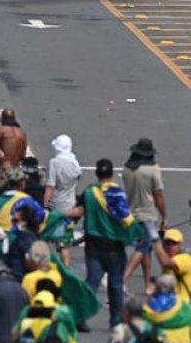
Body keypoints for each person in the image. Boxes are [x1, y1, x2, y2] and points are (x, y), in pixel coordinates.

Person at [66, 158, 136, 328]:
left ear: (97, 174)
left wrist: (66, 229)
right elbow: (125, 219)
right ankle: (116, 319)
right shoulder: (118, 193)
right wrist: (135, 234)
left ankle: (80, 316)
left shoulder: (89, 193)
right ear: (111, 174)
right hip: (114, 246)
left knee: (92, 282)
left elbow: (77, 214)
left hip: (93, 246)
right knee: (116, 284)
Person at [122, 138, 166, 296]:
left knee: (147, 250)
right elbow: (158, 195)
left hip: (131, 212)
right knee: (142, 247)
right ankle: (124, 280)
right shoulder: (153, 170)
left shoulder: (127, 170)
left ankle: (148, 285)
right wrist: (164, 216)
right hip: (148, 214)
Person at [45, 134, 81, 263]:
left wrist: (44, 205)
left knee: (47, 240)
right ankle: (65, 269)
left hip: (55, 207)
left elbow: (50, 186)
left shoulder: (54, 163)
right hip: (70, 207)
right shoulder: (75, 164)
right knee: (63, 244)